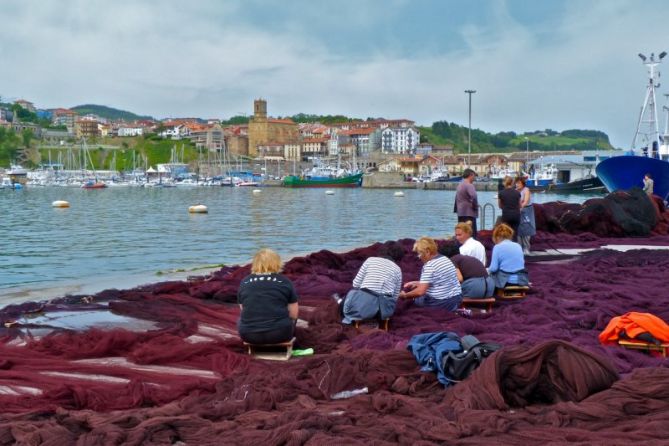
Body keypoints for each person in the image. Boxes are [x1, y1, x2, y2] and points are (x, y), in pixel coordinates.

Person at [237, 248, 299, 344]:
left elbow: (243, 309)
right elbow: (294, 314)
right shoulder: (284, 281)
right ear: (277, 263)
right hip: (280, 335)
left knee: (241, 319)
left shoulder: (245, 281)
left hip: (249, 336)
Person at [339, 241, 405, 324]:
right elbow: (395, 297)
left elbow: (355, 284)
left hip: (363, 307)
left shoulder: (370, 260)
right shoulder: (397, 269)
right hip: (383, 312)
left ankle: (346, 308)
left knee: (351, 294)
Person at [399, 237, 462, 310]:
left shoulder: (430, 266)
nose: (419, 257)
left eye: (419, 253)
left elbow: (420, 292)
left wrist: (405, 296)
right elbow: (440, 281)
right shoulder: (445, 259)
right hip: (456, 299)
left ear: (427, 251)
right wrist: (418, 283)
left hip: (440, 303)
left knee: (416, 299)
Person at [488, 223, 529, 289]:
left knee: (489, 275)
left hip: (505, 281)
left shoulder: (497, 247)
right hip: (521, 280)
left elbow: (493, 268)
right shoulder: (518, 246)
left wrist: (486, 270)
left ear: (497, 237)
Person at [455, 168, 479, 238]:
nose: (474, 178)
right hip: (469, 213)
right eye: (474, 176)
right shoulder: (469, 185)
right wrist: (475, 207)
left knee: (462, 233)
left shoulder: (459, 185)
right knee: (471, 233)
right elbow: (474, 197)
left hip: (460, 212)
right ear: (470, 175)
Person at [516, 176, 536, 254]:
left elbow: (526, 201)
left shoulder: (526, 190)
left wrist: (521, 207)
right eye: (516, 183)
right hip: (518, 211)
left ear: (523, 184)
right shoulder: (515, 191)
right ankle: (519, 248)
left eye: (519, 183)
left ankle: (526, 248)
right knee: (519, 229)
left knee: (527, 229)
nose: (517, 185)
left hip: (527, 211)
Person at [498, 176, 521, 240]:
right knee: (515, 234)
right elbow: (520, 205)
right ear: (512, 183)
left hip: (506, 215)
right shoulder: (517, 193)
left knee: (506, 234)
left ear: (504, 183)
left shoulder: (501, 193)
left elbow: (499, 206)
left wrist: (505, 207)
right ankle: (514, 247)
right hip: (516, 215)